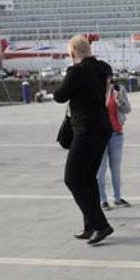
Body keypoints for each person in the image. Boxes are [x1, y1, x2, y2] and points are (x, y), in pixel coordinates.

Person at [53, 35, 114, 245]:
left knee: (72, 178)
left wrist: (68, 74)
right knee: (88, 178)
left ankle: (100, 225)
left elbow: (60, 96)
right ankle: (90, 226)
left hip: (86, 128)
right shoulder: (104, 67)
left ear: (72, 54)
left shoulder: (76, 71)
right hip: (103, 127)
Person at [97, 74, 132, 210]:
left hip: (116, 133)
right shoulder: (95, 90)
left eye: (108, 76)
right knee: (100, 170)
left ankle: (117, 198)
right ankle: (102, 200)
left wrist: (119, 101)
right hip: (99, 135)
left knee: (115, 169)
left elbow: (127, 109)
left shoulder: (119, 89)